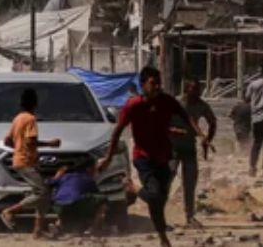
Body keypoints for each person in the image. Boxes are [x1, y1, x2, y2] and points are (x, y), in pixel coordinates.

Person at [99, 67, 206, 247]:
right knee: (154, 194)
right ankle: (136, 193)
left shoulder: (167, 101)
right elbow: (118, 131)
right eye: (152, 83)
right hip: (143, 158)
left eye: (159, 83)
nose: (157, 87)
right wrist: (109, 157)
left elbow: (186, 117)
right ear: (142, 85)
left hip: (164, 157)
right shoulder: (133, 105)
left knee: (160, 199)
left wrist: (201, 135)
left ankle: (162, 236)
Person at [0, 88, 62, 238]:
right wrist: (50, 144)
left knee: (41, 195)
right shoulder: (30, 119)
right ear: (35, 103)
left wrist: (17, 148)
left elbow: (7, 140)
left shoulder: (18, 118)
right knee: (43, 191)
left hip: (21, 160)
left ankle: (38, 230)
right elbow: (31, 140)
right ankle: (10, 211)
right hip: (26, 161)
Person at [169, 78, 216, 228]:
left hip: (189, 148)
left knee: (190, 184)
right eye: (194, 89)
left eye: (198, 89)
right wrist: (174, 131)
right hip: (172, 148)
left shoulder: (202, 105)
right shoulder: (176, 104)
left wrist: (207, 140)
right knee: (167, 180)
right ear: (186, 90)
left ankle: (190, 217)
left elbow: (213, 122)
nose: (197, 92)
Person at [49, 162, 108, 235]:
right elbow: (97, 197)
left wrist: (57, 176)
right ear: (88, 169)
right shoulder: (88, 179)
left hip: (58, 205)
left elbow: (50, 183)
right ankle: (94, 228)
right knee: (103, 199)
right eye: (94, 169)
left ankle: (58, 226)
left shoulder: (64, 177)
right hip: (75, 204)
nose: (95, 172)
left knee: (65, 203)